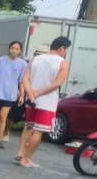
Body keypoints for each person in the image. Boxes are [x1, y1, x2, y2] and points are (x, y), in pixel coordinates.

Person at [16, 37, 70, 167]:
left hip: (31, 100)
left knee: (28, 126)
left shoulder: (34, 60)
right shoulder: (63, 63)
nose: (66, 52)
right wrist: (39, 93)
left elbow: (25, 79)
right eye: (66, 49)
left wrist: (31, 94)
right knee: (39, 131)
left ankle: (20, 153)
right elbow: (57, 83)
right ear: (61, 48)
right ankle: (26, 158)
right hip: (47, 102)